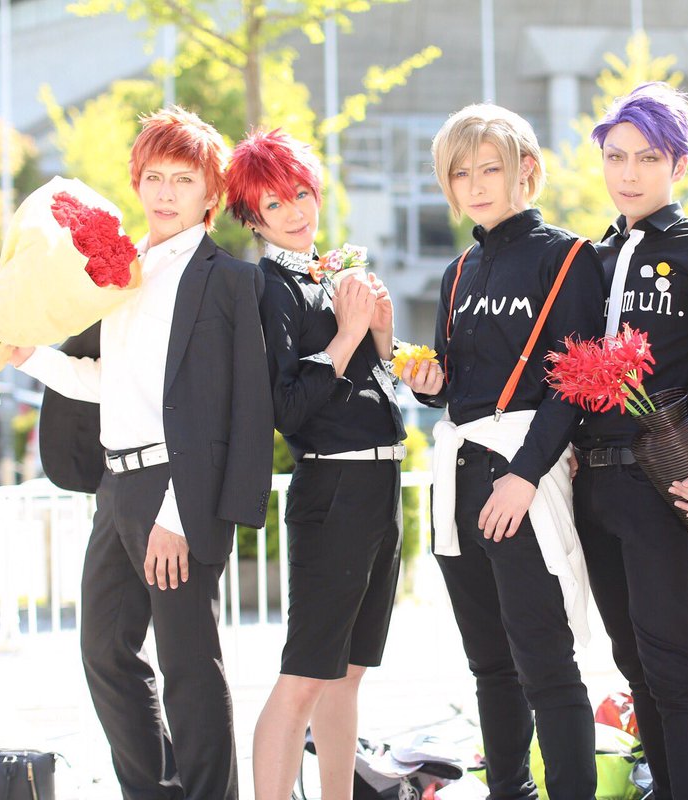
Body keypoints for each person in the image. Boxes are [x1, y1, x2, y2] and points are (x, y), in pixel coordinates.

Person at [9, 106, 273, 800]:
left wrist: (179, 517)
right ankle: (154, 791)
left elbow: (233, 411)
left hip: (177, 490)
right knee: (103, 651)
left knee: (188, 665)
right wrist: (30, 358)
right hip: (116, 485)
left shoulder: (229, 281)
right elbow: (107, 382)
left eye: (182, 179)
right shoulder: (120, 274)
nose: (164, 192)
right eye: (153, 176)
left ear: (211, 193)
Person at [399, 103, 605, 800]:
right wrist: (430, 383)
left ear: (527, 171)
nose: (477, 184)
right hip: (458, 478)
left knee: (547, 666)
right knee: (489, 666)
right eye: (461, 173)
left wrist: (525, 475)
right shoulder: (459, 271)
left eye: (491, 168)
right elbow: (456, 385)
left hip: (524, 474)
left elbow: (575, 384)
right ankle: (508, 792)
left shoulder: (568, 257)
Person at [224, 128, 405, 800]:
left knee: (348, 673)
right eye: (274, 204)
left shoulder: (331, 275)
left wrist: (380, 335)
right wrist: (350, 332)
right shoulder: (266, 287)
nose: (295, 211)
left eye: (301, 193)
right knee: (304, 675)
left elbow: (375, 390)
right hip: (333, 485)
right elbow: (287, 408)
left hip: (378, 481)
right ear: (252, 217)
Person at [573, 82, 688, 800]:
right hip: (594, 484)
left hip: (664, 479)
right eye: (615, 156)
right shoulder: (590, 257)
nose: (629, 173)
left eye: (647, 157)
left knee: (677, 670)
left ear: (679, 165)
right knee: (634, 664)